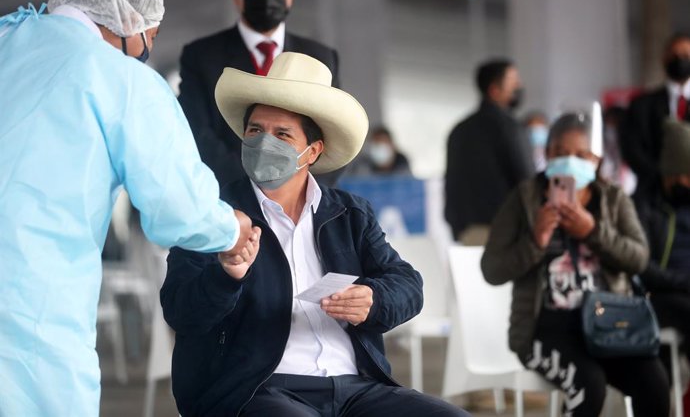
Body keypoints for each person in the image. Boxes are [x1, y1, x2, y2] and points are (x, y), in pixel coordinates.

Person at [0, 0, 259, 416]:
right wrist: (231, 227)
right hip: (30, 305)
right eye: (151, 37)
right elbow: (176, 203)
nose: (145, 50)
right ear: (128, 22)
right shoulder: (121, 79)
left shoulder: (7, 38)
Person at [160, 52, 470, 417]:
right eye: (255, 130)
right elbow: (181, 311)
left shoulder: (350, 213)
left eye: (282, 134)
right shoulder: (214, 213)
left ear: (313, 151)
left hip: (359, 389)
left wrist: (373, 298)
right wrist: (225, 276)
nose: (263, 142)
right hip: (255, 388)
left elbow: (407, 284)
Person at [481, 113, 670, 417]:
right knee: (589, 385)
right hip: (544, 329)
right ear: (547, 154)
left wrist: (592, 232)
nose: (570, 161)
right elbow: (492, 269)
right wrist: (536, 240)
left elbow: (638, 258)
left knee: (655, 384)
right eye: (561, 153)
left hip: (609, 324)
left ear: (595, 160)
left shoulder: (613, 198)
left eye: (581, 155)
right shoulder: (524, 199)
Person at [178, 0, 341, 189]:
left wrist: (297, 191)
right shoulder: (201, 56)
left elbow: (333, 131)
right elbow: (196, 132)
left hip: (302, 204)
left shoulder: (321, 57)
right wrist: (252, 192)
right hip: (230, 200)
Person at [444, 58, 534, 245]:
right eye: (513, 82)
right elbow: (526, 182)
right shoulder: (510, 128)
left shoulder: (459, 130)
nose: (519, 86)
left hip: (469, 233)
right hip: (506, 234)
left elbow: (450, 186)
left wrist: (456, 227)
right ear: (495, 90)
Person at [638, 119, 690, 413]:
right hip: (657, 296)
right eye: (683, 175)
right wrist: (682, 282)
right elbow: (643, 266)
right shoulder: (644, 207)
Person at [621, 32, 690, 206]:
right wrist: (664, 178)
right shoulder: (641, 105)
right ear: (664, 58)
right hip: (651, 197)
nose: (680, 59)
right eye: (674, 55)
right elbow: (632, 149)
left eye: (685, 55)